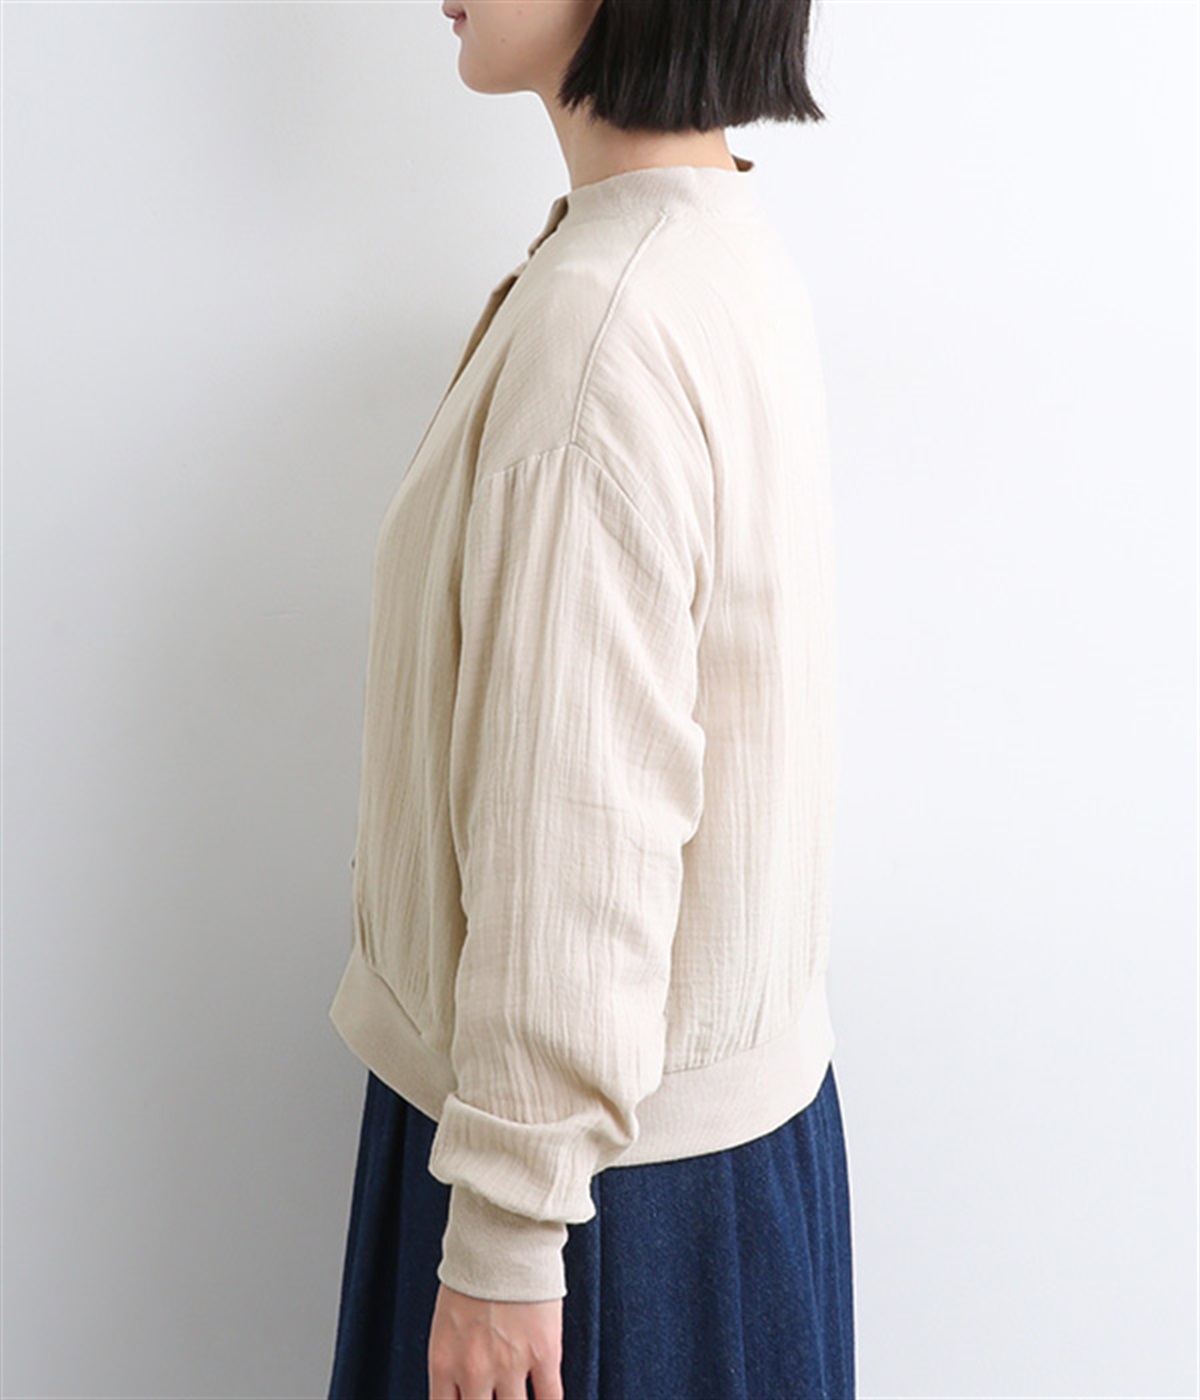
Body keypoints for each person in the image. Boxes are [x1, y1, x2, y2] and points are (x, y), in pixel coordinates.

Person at [326, 1, 855, 1396]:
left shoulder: (601, 323)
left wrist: (504, 1233)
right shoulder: (717, 252)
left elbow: (578, 826)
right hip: (715, 1160)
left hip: (588, 1204)